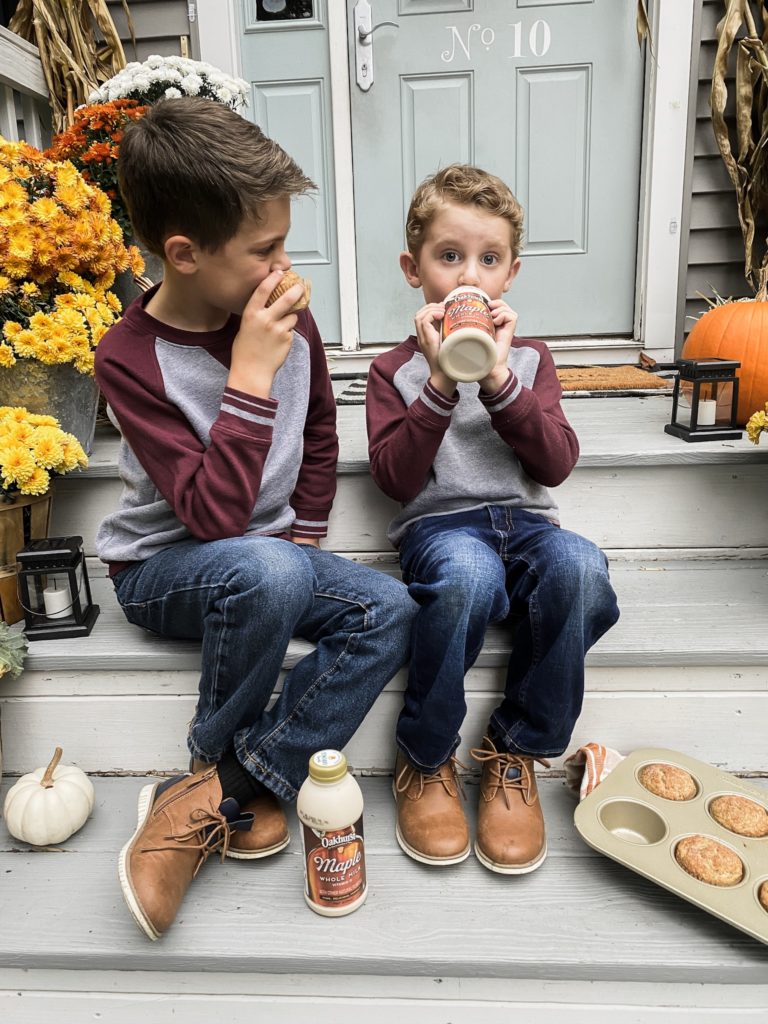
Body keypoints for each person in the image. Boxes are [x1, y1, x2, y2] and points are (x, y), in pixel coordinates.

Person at [95, 97, 416, 939]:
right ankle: (214, 758)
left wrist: (309, 535)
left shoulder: (285, 316)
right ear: (185, 254)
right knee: (262, 564)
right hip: (169, 568)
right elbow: (210, 516)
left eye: (285, 243)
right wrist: (246, 377)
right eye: (264, 249)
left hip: (270, 555)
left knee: (389, 609)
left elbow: (317, 429)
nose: (284, 267)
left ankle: (224, 788)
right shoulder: (130, 359)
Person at [365, 164, 620, 875]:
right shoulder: (395, 372)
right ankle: (426, 753)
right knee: (469, 573)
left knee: (580, 565)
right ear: (414, 271)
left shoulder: (532, 362)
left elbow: (555, 463)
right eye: (449, 257)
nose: (466, 275)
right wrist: (442, 380)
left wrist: (500, 379)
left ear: (509, 275)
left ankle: (516, 751)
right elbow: (393, 478)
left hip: (529, 526)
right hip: (442, 530)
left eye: (487, 259)